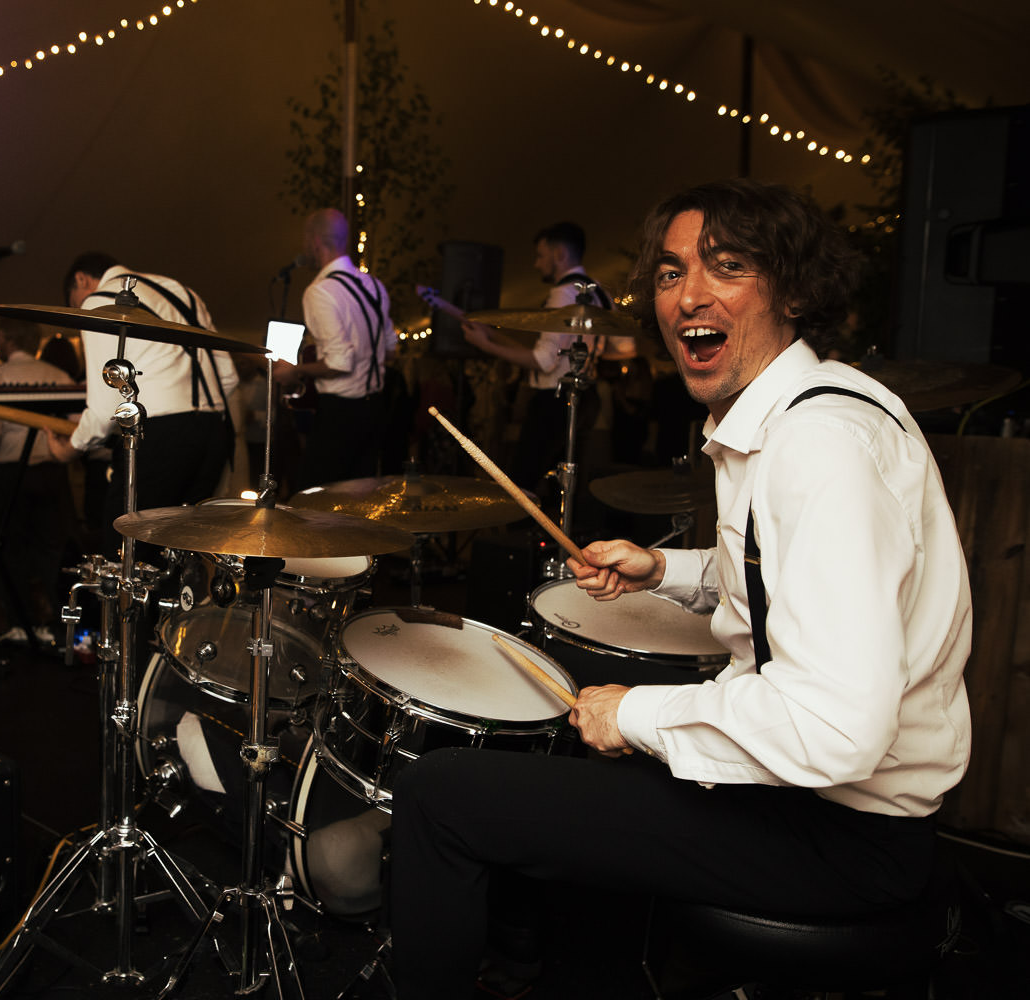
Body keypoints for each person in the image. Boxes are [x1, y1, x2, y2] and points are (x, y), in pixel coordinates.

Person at [389, 179, 972, 999]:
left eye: (727, 266)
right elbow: (781, 569)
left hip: (844, 831)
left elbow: (838, 729)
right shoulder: (808, 408)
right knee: (573, 713)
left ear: (795, 290)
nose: (688, 294)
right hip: (830, 805)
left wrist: (632, 714)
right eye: (670, 273)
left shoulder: (819, 450)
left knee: (435, 796)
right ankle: (576, 964)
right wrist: (666, 569)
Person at [46, 252, 238, 555]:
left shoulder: (97, 300)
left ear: (81, 279)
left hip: (158, 438)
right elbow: (227, 376)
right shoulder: (179, 290)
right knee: (181, 553)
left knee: (126, 554)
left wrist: (70, 448)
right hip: (213, 432)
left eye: (74, 301)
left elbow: (101, 407)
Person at [462, 221, 634, 487]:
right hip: (586, 397)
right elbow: (625, 349)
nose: (536, 264)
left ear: (560, 254)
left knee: (524, 485)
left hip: (554, 401)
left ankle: (526, 529)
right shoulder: (600, 291)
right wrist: (587, 358)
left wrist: (485, 346)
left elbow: (543, 361)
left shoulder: (563, 293)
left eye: (540, 256)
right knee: (565, 484)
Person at [273, 208, 397, 489]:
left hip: (340, 414)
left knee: (314, 500)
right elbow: (390, 350)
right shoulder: (375, 286)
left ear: (315, 242)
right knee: (359, 499)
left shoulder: (321, 291)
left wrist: (296, 371)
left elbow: (341, 363)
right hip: (376, 410)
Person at [0, 323, 78, 645]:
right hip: (51, 470)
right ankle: (61, 628)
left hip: (11, 471)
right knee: (54, 552)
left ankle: (21, 624)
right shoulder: (60, 376)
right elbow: (77, 427)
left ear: (6, 339)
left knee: (10, 551)